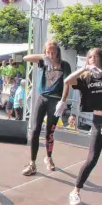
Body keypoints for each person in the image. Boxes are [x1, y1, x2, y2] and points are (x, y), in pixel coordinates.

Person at [54, 48, 102, 205]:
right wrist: (83, 69)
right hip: (98, 119)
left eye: (95, 56)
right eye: (89, 57)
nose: (92, 59)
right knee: (92, 158)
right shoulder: (86, 78)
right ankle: (75, 191)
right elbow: (67, 81)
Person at [22, 39, 72, 175]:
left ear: (58, 52)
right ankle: (32, 163)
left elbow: (67, 83)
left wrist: (63, 101)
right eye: (48, 52)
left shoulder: (64, 65)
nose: (51, 54)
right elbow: (26, 57)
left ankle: (48, 158)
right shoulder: (44, 62)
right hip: (42, 98)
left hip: (55, 100)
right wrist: (43, 57)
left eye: (53, 52)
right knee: (35, 130)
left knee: (50, 132)